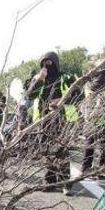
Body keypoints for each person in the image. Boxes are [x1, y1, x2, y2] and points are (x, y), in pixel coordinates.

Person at [25, 52, 81, 193]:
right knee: (47, 151)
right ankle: (49, 181)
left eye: (50, 63)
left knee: (61, 151)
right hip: (43, 120)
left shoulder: (65, 77)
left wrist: (59, 101)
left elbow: (78, 95)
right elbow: (30, 95)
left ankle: (64, 183)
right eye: (44, 62)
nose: (47, 65)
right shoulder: (39, 77)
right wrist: (39, 79)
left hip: (62, 119)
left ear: (55, 63)